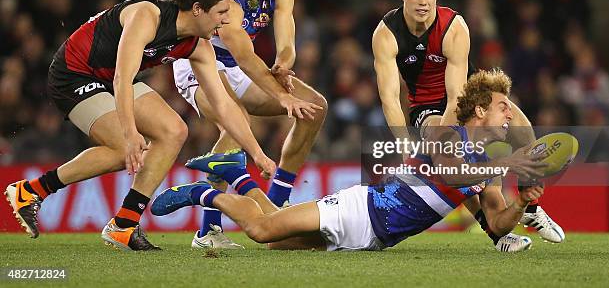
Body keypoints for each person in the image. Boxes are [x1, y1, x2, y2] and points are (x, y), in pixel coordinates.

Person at [4, 0, 318, 251]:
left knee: (174, 131)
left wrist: (258, 154)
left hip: (110, 77)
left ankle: (123, 224)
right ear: (198, 9)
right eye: (222, 12)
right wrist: (129, 134)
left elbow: (224, 106)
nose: (226, 21)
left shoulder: (198, 45)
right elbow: (122, 78)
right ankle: (31, 191)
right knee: (119, 150)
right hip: (74, 74)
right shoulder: (147, 15)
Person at [150, 69, 547, 252]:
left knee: (277, 241)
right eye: (503, 107)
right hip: (358, 211)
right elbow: (450, 173)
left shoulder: (487, 169)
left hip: (375, 238)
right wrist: (507, 167)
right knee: (261, 231)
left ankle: (236, 175)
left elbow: (496, 222)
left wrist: (523, 202)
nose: (510, 115)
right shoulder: (443, 133)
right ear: (478, 110)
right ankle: (203, 193)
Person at [371, 0, 564, 251]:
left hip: (466, 93)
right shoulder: (386, 34)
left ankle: (530, 206)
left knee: (522, 128)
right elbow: (389, 98)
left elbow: (457, 94)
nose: (423, 1)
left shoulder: (453, 26)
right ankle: (496, 232)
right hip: (426, 106)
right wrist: (404, 144)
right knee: (449, 149)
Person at [172, 0, 327, 249]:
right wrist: (282, 95)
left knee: (315, 106)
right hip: (198, 62)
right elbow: (244, 57)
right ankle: (208, 232)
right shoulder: (228, 0)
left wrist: (283, 64)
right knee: (236, 121)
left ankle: (278, 203)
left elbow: (286, 43)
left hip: (238, 69)